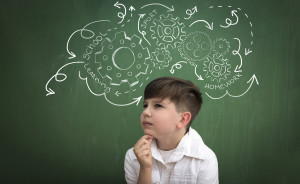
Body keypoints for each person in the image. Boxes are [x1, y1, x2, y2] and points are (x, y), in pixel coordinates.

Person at [124, 77, 219, 184]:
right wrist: (145, 169)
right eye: (145, 105)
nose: (146, 112)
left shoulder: (205, 159)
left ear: (182, 119)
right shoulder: (133, 156)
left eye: (158, 105)